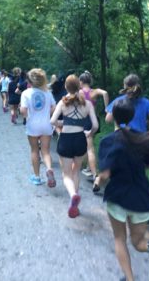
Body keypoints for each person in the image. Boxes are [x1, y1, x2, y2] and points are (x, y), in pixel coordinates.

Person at [94, 98, 149, 281]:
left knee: (119, 239)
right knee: (138, 242)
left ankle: (130, 279)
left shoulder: (108, 141)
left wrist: (99, 182)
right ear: (133, 116)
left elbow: (104, 174)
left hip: (118, 196)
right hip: (141, 197)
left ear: (112, 116)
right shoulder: (143, 138)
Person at [50, 75, 98, 218]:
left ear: (66, 87)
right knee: (76, 171)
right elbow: (95, 125)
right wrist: (89, 133)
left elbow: (52, 120)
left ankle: (72, 196)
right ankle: (75, 203)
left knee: (66, 174)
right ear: (79, 86)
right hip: (80, 140)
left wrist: (63, 124)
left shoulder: (62, 102)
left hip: (66, 139)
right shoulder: (87, 104)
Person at [20, 68, 56, 186]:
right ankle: (49, 169)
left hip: (32, 125)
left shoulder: (26, 93)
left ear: (29, 81)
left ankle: (36, 177)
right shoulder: (48, 93)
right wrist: (46, 114)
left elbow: (23, 111)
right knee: (46, 151)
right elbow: (53, 109)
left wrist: (26, 116)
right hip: (46, 125)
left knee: (34, 150)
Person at [79, 70, 109, 182]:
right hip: (95, 120)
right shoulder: (95, 92)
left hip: (85, 120)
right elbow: (105, 93)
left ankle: (94, 174)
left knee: (89, 148)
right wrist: (107, 109)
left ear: (81, 81)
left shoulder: (79, 92)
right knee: (89, 145)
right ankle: (87, 168)